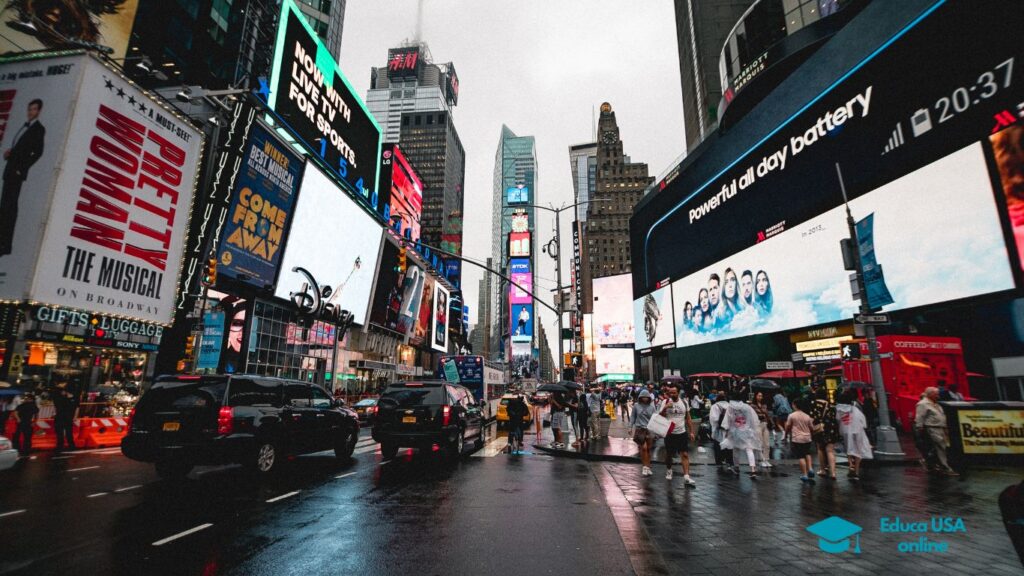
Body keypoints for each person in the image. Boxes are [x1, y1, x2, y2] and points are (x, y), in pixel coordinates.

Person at [0, 98, 45, 257]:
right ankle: (2, 242)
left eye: (33, 109)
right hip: (10, 170)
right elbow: (21, 148)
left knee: (10, 208)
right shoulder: (25, 127)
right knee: (4, 207)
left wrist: (22, 168)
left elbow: (38, 152)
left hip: (16, 172)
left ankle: (5, 245)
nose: (30, 112)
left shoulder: (39, 129)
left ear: (38, 111)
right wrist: (10, 155)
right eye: (29, 109)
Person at [658, 384, 696, 486]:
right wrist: (665, 407)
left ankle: (687, 476)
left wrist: (691, 431)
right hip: (669, 433)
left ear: (678, 392)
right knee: (669, 454)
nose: (672, 394)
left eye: (674, 392)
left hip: (681, 432)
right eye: (670, 392)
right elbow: (659, 416)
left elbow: (688, 418)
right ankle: (669, 469)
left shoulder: (684, 402)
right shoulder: (665, 402)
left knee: (684, 454)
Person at [915, 386, 958, 476]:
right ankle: (945, 468)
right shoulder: (923, 404)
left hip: (940, 428)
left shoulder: (935, 404)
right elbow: (920, 417)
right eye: (936, 393)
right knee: (941, 448)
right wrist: (919, 427)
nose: (938, 395)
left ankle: (929, 462)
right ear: (930, 394)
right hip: (932, 428)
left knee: (939, 447)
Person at [721, 389, 762, 476]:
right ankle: (753, 469)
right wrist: (750, 429)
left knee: (736, 449)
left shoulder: (730, 408)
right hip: (746, 430)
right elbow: (751, 419)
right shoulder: (746, 407)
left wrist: (728, 430)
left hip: (735, 430)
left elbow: (728, 420)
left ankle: (736, 467)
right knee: (749, 449)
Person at [836, 390, 873, 480]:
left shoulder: (839, 410)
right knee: (858, 449)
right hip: (857, 430)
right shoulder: (855, 409)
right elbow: (863, 421)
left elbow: (837, 419)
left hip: (845, 430)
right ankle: (856, 470)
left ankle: (850, 464)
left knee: (848, 448)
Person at [809, 388, 839, 480]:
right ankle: (833, 473)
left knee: (820, 449)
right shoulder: (830, 404)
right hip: (831, 428)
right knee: (830, 450)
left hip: (819, 429)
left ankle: (823, 469)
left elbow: (812, 418)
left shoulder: (813, 404)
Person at [786, 398, 817, 483]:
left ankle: (804, 474)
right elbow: (812, 428)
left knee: (801, 456)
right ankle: (810, 468)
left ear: (795, 405)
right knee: (807, 453)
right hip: (807, 438)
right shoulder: (807, 416)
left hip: (797, 438)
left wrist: (785, 435)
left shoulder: (792, 415)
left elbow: (788, 426)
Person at [628, 390, 656, 477]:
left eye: (646, 397)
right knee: (643, 448)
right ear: (640, 397)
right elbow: (633, 417)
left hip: (650, 429)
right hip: (640, 429)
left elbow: (655, 418)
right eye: (643, 397)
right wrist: (630, 427)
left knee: (648, 449)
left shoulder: (652, 407)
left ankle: (648, 467)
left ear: (649, 398)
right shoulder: (636, 406)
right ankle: (644, 467)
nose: (645, 398)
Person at [708, 390, 733, 467]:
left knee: (718, 445)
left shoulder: (715, 406)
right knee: (728, 445)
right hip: (728, 429)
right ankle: (729, 461)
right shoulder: (729, 406)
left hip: (718, 429)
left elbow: (713, 419)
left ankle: (719, 461)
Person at [751, 391, 773, 468]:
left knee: (767, 443)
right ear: (755, 396)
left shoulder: (764, 405)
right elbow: (753, 416)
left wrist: (765, 414)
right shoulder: (752, 405)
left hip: (765, 424)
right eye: (759, 395)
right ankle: (761, 460)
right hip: (758, 424)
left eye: (761, 396)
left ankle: (766, 459)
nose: (760, 397)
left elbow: (766, 415)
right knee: (760, 443)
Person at [52, 383, 77, 451]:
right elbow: (76, 408)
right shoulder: (73, 398)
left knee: (60, 433)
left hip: (60, 417)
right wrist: (74, 416)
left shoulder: (60, 399)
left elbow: (57, 406)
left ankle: (60, 446)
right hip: (68, 417)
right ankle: (71, 445)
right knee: (68, 432)